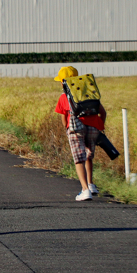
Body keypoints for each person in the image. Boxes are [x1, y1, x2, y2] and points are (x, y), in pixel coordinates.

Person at [53, 66, 107, 201]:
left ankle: (85, 190)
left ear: (62, 82)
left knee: (79, 159)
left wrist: (67, 130)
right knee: (89, 155)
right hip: (93, 127)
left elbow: (64, 117)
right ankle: (91, 184)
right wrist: (100, 126)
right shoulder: (89, 93)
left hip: (75, 129)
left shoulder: (64, 97)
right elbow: (103, 112)